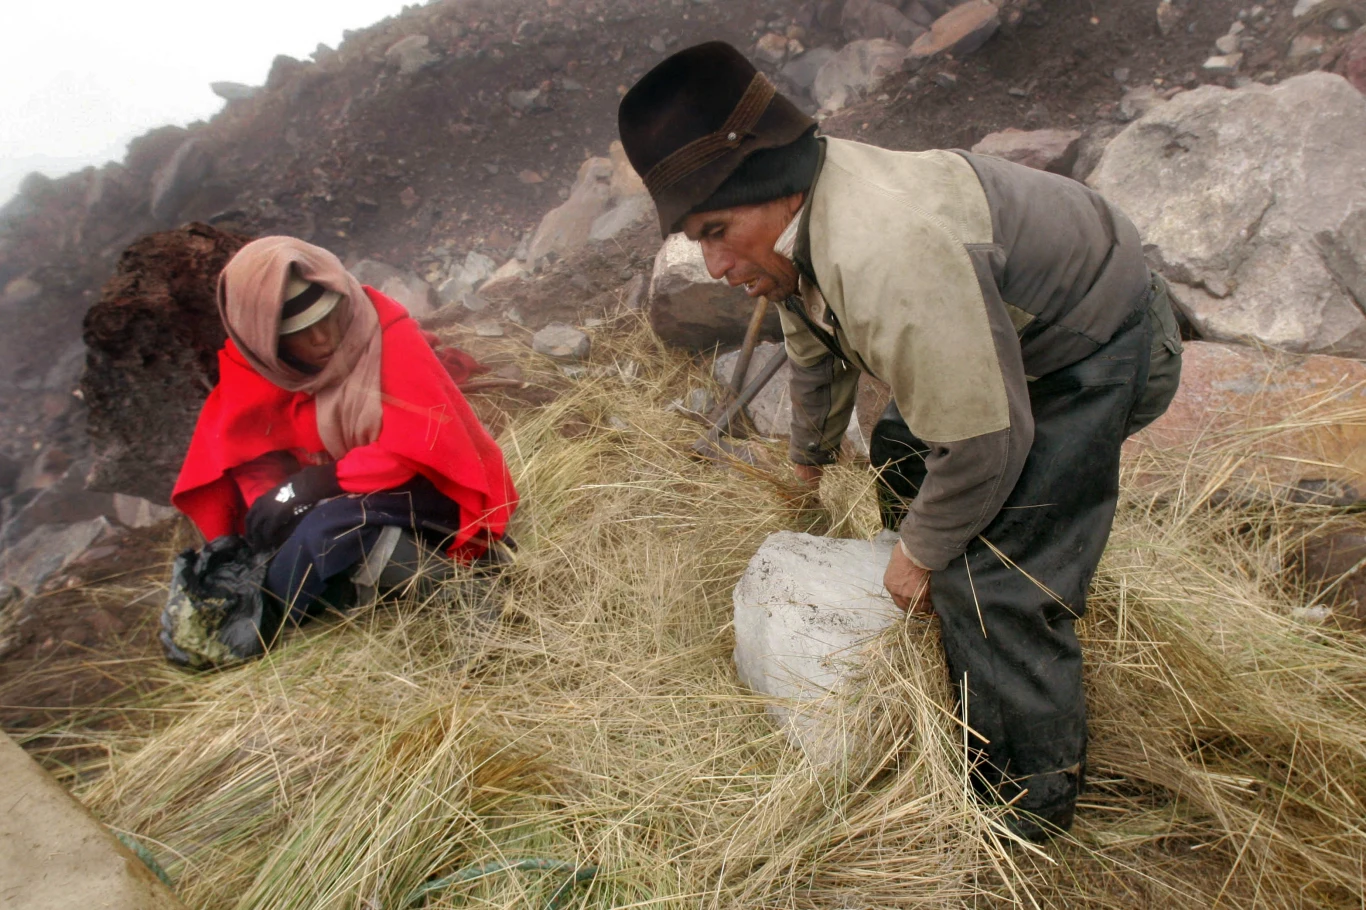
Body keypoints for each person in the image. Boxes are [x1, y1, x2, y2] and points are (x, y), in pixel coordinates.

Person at [617, 42, 1183, 838]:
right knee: (902, 449)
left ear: (774, 190)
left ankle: (1024, 814)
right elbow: (812, 347)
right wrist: (806, 469)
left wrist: (922, 557)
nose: (713, 266)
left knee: (999, 586)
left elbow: (987, 440)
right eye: (696, 240)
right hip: (1000, 332)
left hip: (1090, 339)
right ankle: (943, 645)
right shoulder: (798, 226)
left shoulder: (885, 250)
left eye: (717, 231)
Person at [166, 237, 518, 664]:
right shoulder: (252, 373)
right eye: (298, 333)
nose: (322, 338)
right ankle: (348, 585)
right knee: (289, 550)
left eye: (327, 316)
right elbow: (254, 461)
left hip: (433, 487)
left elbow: (415, 449)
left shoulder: (385, 334)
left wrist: (316, 483)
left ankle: (465, 597)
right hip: (344, 502)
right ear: (265, 341)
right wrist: (276, 501)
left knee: (330, 529)